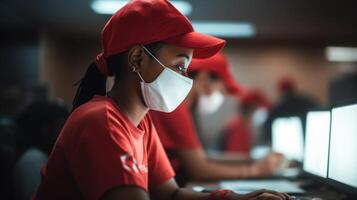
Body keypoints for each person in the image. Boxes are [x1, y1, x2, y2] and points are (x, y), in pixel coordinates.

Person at [35, 1, 291, 200]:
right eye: (180, 67)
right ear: (137, 59)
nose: (185, 80)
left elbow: (170, 194)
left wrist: (232, 198)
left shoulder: (142, 123)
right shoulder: (101, 121)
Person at [150, 52, 283, 186]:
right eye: (222, 88)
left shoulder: (184, 108)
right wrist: (255, 170)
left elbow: (202, 156)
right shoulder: (176, 107)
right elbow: (199, 169)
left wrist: (253, 160)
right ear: (204, 77)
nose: (222, 94)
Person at [14, 100, 69, 200]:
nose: (67, 133)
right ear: (45, 129)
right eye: (62, 126)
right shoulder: (33, 160)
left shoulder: (44, 158)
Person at [263, 77, 318, 144]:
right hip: (310, 139)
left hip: (286, 144)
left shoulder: (277, 108)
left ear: (280, 91)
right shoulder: (307, 102)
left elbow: (267, 132)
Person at [223, 90, 271, 155]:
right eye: (261, 109)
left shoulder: (242, 125)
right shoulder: (239, 129)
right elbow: (237, 159)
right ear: (252, 109)